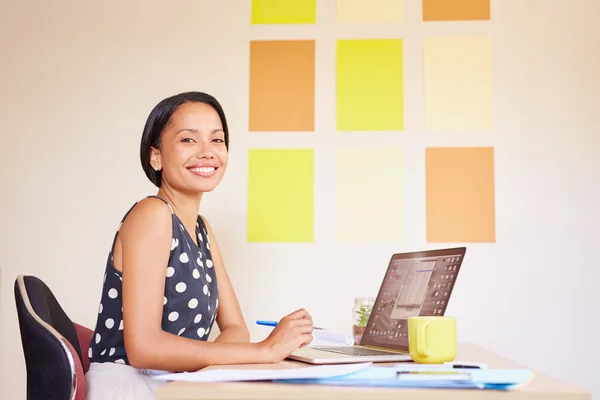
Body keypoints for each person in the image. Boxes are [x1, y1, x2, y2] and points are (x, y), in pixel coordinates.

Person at [84, 92, 314, 400]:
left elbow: (236, 328)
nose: (207, 152)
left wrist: (219, 361)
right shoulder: (152, 214)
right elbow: (144, 348)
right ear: (156, 156)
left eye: (217, 141)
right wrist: (265, 350)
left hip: (176, 383)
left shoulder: (201, 229)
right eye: (188, 140)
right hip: (131, 387)